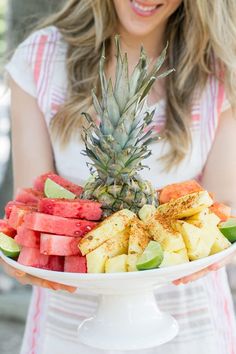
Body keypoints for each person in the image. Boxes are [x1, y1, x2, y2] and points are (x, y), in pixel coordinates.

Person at [2, 0, 236, 353]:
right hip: (66, 330)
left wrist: (217, 250)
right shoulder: (40, 58)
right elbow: (31, 207)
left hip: (191, 329)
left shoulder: (220, 67)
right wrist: (20, 257)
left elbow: (224, 212)